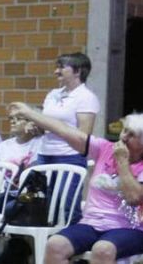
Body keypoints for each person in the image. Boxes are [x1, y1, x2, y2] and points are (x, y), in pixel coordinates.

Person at [9, 104, 143, 264]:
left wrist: (123, 163)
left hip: (132, 228)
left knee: (103, 249)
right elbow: (64, 130)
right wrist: (30, 113)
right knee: (56, 244)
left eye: (131, 134)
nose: (123, 137)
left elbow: (134, 197)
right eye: (124, 131)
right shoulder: (104, 148)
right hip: (92, 223)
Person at [37, 53, 99, 226]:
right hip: (45, 153)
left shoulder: (86, 97)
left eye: (61, 67)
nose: (56, 71)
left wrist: (53, 127)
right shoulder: (53, 94)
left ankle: (70, 245)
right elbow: (45, 124)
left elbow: (83, 136)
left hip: (69, 155)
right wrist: (36, 126)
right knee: (43, 205)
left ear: (77, 71)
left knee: (67, 206)